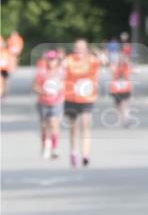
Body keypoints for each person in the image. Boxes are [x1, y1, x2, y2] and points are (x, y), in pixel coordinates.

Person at [62, 39, 101, 167]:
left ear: (86, 49)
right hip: (71, 97)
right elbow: (61, 69)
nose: (79, 51)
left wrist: (98, 54)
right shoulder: (69, 60)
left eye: (81, 48)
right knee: (73, 127)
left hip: (87, 98)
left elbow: (104, 62)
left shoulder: (92, 60)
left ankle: (85, 154)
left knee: (85, 123)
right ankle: (74, 151)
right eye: (77, 48)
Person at [32, 50, 64, 159]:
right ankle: (45, 145)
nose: (51, 62)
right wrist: (44, 92)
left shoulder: (61, 72)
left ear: (57, 60)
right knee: (44, 126)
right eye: (49, 59)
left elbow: (66, 84)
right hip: (43, 102)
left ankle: (54, 148)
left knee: (54, 122)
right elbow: (34, 86)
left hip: (56, 101)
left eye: (53, 59)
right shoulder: (41, 72)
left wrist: (60, 89)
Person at [108, 43, 133, 127]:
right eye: (120, 58)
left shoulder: (126, 65)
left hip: (125, 88)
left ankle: (126, 118)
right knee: (117, 104)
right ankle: (120, 119)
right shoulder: (114, 66)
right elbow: (112, 72)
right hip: (116, 88)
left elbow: (131, 69)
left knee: (125, 103)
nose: (121, 59)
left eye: (123, 57)